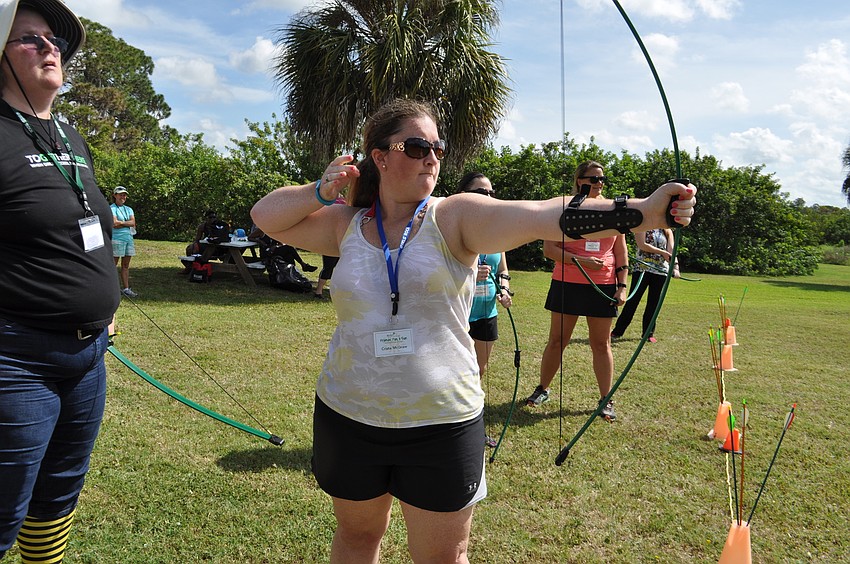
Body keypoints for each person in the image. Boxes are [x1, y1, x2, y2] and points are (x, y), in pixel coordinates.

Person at [251, 98, 695, 563]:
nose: (432, 156)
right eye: (418, 145)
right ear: (380, 157)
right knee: (358, 540)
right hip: (349, 416)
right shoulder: (347, 224)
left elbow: (544, 213)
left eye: (437, 147)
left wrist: (641, 211)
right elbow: (267, 216)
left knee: (443, 556)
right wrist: (320, 192)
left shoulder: (454, 216)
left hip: (439, 423)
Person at [1, 1, 120, 561]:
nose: (51, 48)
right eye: (29, 39)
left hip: (87, 355)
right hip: (15, 358)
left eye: (54, 38)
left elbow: (78, 227)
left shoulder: (68, 133)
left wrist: (101, 304)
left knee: (57, 498)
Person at [524, 161, 628, 421]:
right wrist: (580, 261)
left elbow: (621, 251)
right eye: (593, 179)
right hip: (566, 283)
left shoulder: (614, 208)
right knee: (557, 341)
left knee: (601, 344)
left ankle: (606, 399)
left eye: (602, 179)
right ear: (579, 180)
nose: (599, 184)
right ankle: (542, 389)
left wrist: (622, 286)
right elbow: (549, 250)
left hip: (602, 285)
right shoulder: (563, 208)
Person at [456, 172, 512, 448]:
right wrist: (470, 274)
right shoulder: (453, 226)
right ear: (465, 195)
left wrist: (504, 289)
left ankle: (471, 427)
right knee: (457, 371)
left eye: (491, 192)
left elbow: (503, 269)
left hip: (487, 311)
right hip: (459, 313)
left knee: (479, 370)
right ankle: (453, 426)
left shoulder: (496, 232)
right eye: (481, 192)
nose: (488, 197)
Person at [610, 228, 678, 343]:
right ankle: (618, 331)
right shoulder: (642, 226)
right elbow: (642, 245)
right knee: (633, 301)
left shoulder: (667, 231)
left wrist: (675, 267)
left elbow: (671, 251)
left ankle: (648, 333)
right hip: (642, 269)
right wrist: (662, 252)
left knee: (654, 303)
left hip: (660, 271)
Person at [248, 224, 317, 272]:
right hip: (266, 254)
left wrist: (275, 246)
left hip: (273, 251)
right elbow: (250, 237)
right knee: (289, 248)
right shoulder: (261, 230)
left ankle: (292, 274)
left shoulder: (274, 231)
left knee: (289, 255)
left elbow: (281, 243)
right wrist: (259, 241)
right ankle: (303, 265)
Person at [110, 185, 137, 297]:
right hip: (116, 239)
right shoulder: (111, 208)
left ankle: (126, 288)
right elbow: (114, 224)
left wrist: (121, 222)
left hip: (128, 238)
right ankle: (111, 288)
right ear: (115, 195)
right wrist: (126, 223)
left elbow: (133, 223)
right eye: (121, 194)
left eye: (124, 194)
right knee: (113, 265)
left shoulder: (129, 209)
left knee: (126, 265)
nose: (123, 196)